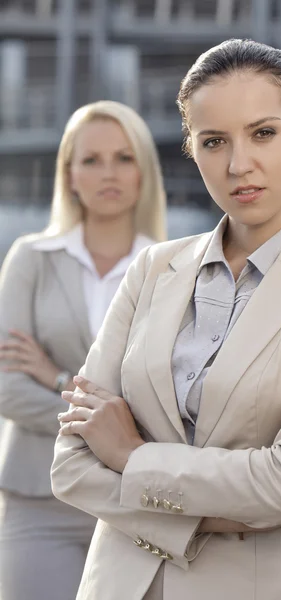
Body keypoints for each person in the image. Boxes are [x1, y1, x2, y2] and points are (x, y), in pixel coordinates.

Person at [51, 40, 281, 600]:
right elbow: (69, 467)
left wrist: (131, 458)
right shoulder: (153, 269)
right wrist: (229, 516)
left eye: (263, 133)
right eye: (213, 142)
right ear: (193, 148)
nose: (239, 165)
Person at [0, 100, 166, 600]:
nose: (107, 173)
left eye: (124, 157)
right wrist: (109, 420)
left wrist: (54, 377)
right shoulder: (31, 258)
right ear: (68, 174)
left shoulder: (171, 269)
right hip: (37, 497)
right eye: (90, 159)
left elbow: (173, 403)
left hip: (136, 504)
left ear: (144, 173)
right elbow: (6, 388)